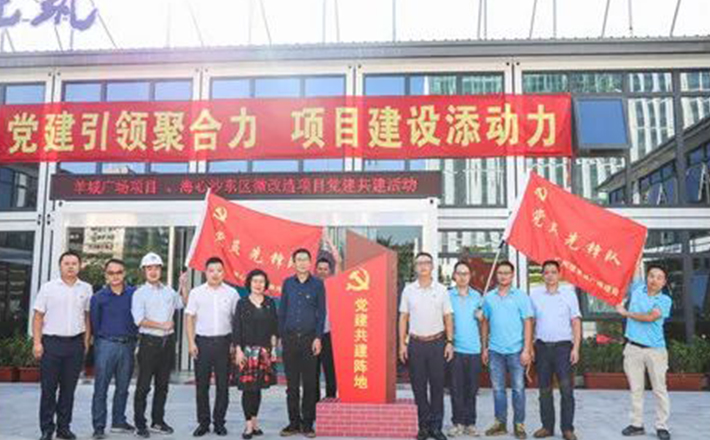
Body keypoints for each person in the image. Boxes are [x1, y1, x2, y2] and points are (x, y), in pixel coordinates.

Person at [32, 250, 93, 440]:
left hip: (75, 344)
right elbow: (38, 316)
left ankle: (63, 428)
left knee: (68, 390)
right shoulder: (48, 288)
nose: (70, 266)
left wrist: (85, 342)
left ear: (80, 266)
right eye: (66, 263)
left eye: (74, 263)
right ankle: (46, 429)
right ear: (60, 266)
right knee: (48, 389)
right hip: (51, 343)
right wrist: (37, 342)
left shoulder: (86, 288)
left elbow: (87, 317)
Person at [131, 252, 188, 438]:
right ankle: (140, 423)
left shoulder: (169, 291)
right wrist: (161, 325)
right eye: (149, 268)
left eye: (156, 268)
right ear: (144, 271)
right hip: (149, 343)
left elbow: (184, 303)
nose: (153, 271)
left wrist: (183, 286)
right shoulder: (139, 293)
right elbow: (139, 320)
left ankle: (158, 420)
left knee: (162, 385)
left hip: (167, 343)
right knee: (144, 386)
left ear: (161, 270)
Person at [398, 251, 454, 440]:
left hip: (437, 343)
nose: (423, 266)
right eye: (419, 263)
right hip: (416, 344)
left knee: (437, 387)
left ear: (432, 266)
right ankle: (423, 426)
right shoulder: (408, 290)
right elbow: (403, 318)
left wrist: (449, 342)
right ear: (415, 267)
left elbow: (448, 317)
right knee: (419, 387)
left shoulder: (442, 290)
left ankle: (436, 427)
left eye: (427, 262)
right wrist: (402, 344)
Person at [616, 264, 673, 440]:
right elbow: (635, 264)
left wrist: (626, 313)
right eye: (651, 276)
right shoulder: (637, 289)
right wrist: (638, 250)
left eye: (659, 277)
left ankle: (661, 426)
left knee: (659, 389)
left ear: (664, 282)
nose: (654, 280)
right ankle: (637, 424)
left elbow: (650, 317)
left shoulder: (665, 300)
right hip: (633, 348)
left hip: (655, 351)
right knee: (636, 389)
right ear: (646, 277)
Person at [185, 257, 239, 437]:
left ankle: (219, 423)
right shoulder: (196, 293)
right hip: (202, 343)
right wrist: (191, 342)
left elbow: (237, 321)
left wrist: (234, 343)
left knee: (223, 386)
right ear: (205, 272)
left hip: (225, 343)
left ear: (224, 272)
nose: (215, 274)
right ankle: (203, 423)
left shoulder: (232, 293)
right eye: (211, 270)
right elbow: (189, 318)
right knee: (202, 386)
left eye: (219, 270)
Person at [481, 261, 533, 440]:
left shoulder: (521, 297)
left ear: (512, 275)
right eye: (500, 273)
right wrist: (484, 348)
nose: (503, 276)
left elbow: (528, 323)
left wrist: (526, 349)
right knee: (498, 389)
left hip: (516, 350)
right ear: (496, 275)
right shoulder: (488, 297)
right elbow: (485, 323)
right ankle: (500, 423)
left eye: (507, 273)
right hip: (495, 350)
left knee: (518, 389)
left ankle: (519, 424)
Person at [529, 261, 581, 440]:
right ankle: (547, 427)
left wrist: (576, 348)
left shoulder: (569, 294)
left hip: (563, 348)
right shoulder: (535, 295)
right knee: (544, 390)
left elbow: (576, 322)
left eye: (553, 272)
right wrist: (530, 347)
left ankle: (567, 428)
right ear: (542, 275)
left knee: (566, 390)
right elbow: (531, 322)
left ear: (559, 274)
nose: (550, 275)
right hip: (542, 348)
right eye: (546, 272)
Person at [278, 248, 326, 439]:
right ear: (294, 262)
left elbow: (321, 313)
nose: (302, 262)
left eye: (305, 259)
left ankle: (307, 424)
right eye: (299, 259)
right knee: (291, 385)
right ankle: (293, 423)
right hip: (290, 339)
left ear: (310, 262)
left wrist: (318, 337)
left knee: (309, 384)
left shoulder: (318, 285)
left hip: (309, 340)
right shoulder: (288, 283)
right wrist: (281, 336)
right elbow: (282, 311)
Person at [90, 259, 138, 439]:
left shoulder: (134, 294)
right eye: (111, 273)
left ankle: (118, 421)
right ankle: (99, 427)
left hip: (128, 345)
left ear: (124, 274)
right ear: (106, 275)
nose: (115, 276)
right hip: (106, 345)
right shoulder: (98, 297)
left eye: (119, 272)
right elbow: (95, 323)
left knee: (123, 387)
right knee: (101, 387)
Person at [233, 269, 279, 439]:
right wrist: (238, 350)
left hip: (263, 352)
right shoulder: (242, 303)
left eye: (261, 281)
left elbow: (274, 328)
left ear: (265, 284)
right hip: (246, 352)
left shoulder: (270, 303)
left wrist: (274, 348)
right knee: (247, 389)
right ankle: (248, 426)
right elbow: (236, 328)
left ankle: (254, 422)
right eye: (255, 281)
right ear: (249, 283)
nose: (258, 284)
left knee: (258, 388)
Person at [446, 261, 484, 438]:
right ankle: (458, 423)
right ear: (454, 276)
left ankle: (470, 423)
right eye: (459, 273)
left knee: (471, 389)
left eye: (466, 273)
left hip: (474, 349)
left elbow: (484, 323)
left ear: (470, 276)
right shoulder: (447, 296)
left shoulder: (478, 297)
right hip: (455, 349)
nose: (462, 277)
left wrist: (481, 317)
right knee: (456, 388)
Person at [314, 234, 341, 400]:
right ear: (316, 270)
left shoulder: (334, 284)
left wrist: (328, 241)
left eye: (325, 269)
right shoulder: (311, 285)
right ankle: (314, 401)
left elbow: (338, 260)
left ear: (330, 271)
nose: (322, 271)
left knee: (330, 369)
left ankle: (331, 399)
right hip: (313, 334)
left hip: (330, 334)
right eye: (320, 269)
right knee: (313, 371)